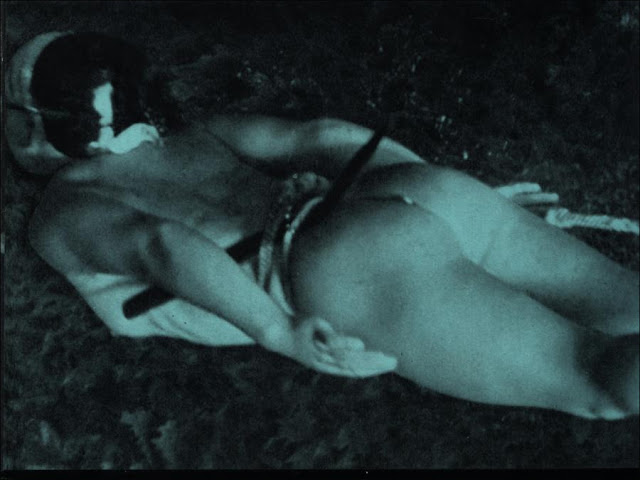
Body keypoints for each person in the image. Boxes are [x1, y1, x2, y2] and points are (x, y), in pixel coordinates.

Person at [6, 32, 638, 420]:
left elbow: (160, 243)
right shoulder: (204, 135)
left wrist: (278, 330)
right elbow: (322, 136)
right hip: (405, 190)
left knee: (598, 380)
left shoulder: (64, 210)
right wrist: (443, 194)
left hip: (334, 259)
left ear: (38, 128)